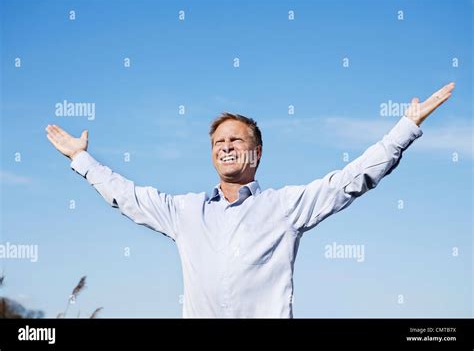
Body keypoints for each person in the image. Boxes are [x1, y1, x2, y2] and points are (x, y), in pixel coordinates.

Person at [45, 83, 455, 318]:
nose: (225, 147)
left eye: (235, 140)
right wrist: (81, 159)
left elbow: (349, 181)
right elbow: (126, 196)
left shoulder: (285, 207)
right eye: (218, 142)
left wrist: (405, 129)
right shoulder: (184, 212)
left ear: (256, 153)